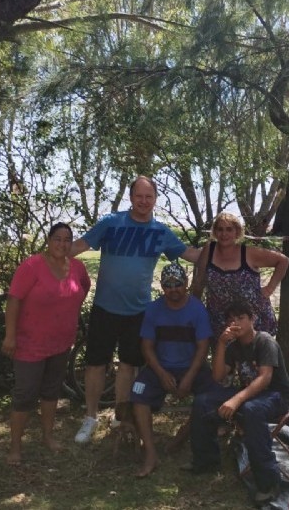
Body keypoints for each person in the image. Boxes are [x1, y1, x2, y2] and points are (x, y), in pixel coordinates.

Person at [70, 175, 201, 444]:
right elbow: (80, 246)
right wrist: (51, 254)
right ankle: (91, 417)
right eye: (139, 196)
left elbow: (190, 254)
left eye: (149, 197)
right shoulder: (110, 223)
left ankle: (121, 416)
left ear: (155, 199)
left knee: (128, 365)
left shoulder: (160, 231)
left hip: (138, 311)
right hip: (105, 307)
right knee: (96, 363)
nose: (144, 201)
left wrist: (225, 252)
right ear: (131, 197)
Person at [185, 299, 289, 505]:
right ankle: (206, 461)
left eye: (241, 318)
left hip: (275, 395)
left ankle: (269, 482)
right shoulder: (233, 347)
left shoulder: (264, 341)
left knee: (252, 410)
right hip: (249, 393)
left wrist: (236, 400)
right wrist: (222, 344)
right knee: (203, 401)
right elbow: (217, 377)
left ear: (252, 319)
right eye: (231, 319)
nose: (236, 323)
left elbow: (265, 378)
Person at [2, 222, 91, 465]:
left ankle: (48, 437)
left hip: (61, 342)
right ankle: (15, 447)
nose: (62, 244)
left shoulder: (77, 267)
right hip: (30, 343)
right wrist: (10, 336)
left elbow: (84, 287)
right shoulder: (32, 266)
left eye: (67, 240)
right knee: (25, 395)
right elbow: (14, 300)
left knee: (51, 391)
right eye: (57, 239)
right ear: (48, 240)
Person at [129, 262, 214, 477]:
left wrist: (188, 377)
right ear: (162, 286)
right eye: (168, 285)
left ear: (185, 284)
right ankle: (150, 453)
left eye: (178, 284)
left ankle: (181, 438)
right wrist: (161, 373)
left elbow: (203, 347)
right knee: (137, 394)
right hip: (161, 367)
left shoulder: (197, 309)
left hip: (192, 367)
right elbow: (146, 347)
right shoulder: (153, 309)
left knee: (211, 398)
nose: (173, 289)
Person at [190, 212, 289, 341]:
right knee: (222, 358)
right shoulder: (209, 250)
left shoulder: (248, 253)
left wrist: (269, 289)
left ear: (237, 231)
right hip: (220, 320)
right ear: (214, 231)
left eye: (229, 229)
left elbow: (283, 261)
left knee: (255, 359)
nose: (224, 234)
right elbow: (199, 281)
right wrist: (194, 309)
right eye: (220, 229)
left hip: (252, 319)